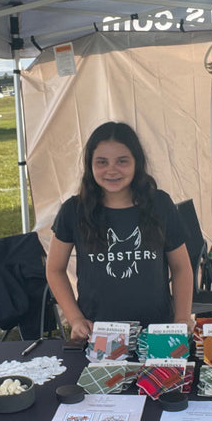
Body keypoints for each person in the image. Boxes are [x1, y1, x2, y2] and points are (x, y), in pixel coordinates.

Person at [46, 121, 193, 341]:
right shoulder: (73, 210)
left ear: (137, 163)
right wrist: (75, 319)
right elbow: (55, 269)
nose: (111, 170)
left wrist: (181, 318)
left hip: (157, 331)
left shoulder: (160, 204)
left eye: (122, 161)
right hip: (98, 333)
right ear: (90, 165)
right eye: (102, 162)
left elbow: (181, 266)